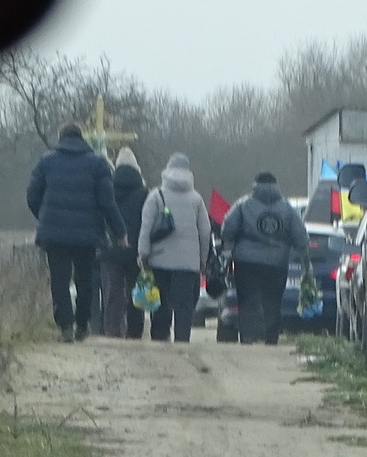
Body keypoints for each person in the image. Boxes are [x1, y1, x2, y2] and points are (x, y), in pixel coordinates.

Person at [25, 121, 124, 341]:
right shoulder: (98, 165)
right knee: (85, 279)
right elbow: (108, 202)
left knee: (59, 280)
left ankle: (65, 326)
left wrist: (44, 217)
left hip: (55, 234)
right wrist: (119, 231)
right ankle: (82, 323)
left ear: (61, 138)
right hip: (86, 234)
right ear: (82, 139)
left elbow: (32, 195)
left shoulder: (46, 162)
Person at [220, 171, 308, 344]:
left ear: (255, 185)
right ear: (276, 185)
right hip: (277, 263)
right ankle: (271, 339)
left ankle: (247, 338)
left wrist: (231, 245)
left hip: (246, 262)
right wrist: (304, 259)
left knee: (247, 300)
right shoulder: (287, 208)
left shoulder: (243, 204)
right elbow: (301, 237)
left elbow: (227, 229)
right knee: (273, 301)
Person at [137, 152, 211, 344]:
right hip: (187, 264)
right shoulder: (196, 199)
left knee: (160, 304)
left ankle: (160, 339)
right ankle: (182, 340)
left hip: (159, 260)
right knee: (184, 306)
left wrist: (143, 253)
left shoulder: (156, 195)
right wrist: (203, 260)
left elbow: (145, 226)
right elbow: (205, 231)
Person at [100, 147, 147, 338]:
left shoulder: (106, 188)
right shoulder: (145, 193)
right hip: (134, 250)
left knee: (113, 292)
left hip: (110, 248)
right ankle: (135, 332)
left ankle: (112, 331)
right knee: (135, 292)